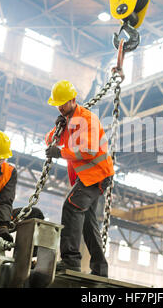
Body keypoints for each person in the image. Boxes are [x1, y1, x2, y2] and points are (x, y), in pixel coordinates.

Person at [45, 80, 114, 277]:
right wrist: (56, 130)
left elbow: (89, 150)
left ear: (73, 100)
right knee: (87, 221)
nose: (60, 107)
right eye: (57, 104)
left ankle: (70, 260)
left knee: (72, 206)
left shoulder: (87, 119)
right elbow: (49, 140)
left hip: (97, 174)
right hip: (87, 176)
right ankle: (100, 269)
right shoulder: (67, 121)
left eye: (63, 103)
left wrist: (60, 153)